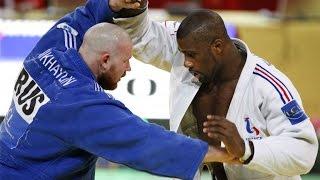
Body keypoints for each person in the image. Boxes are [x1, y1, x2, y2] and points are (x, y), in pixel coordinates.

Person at [0, 0, 236, 179]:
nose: (130, 68)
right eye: (125, 60)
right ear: (104, 60)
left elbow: (76, 22)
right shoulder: (78, 104)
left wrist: (109, 4)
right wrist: (224, 154)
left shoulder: (50, 52)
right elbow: (145, 140)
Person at [114, 2, 319, 180]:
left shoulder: (269, 86)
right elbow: (140, 37)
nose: (185, 62)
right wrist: (135, 7)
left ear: (218, 47)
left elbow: (304, 151)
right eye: (184, 54)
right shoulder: (187, 45)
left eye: (191, 55)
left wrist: (246, 148)